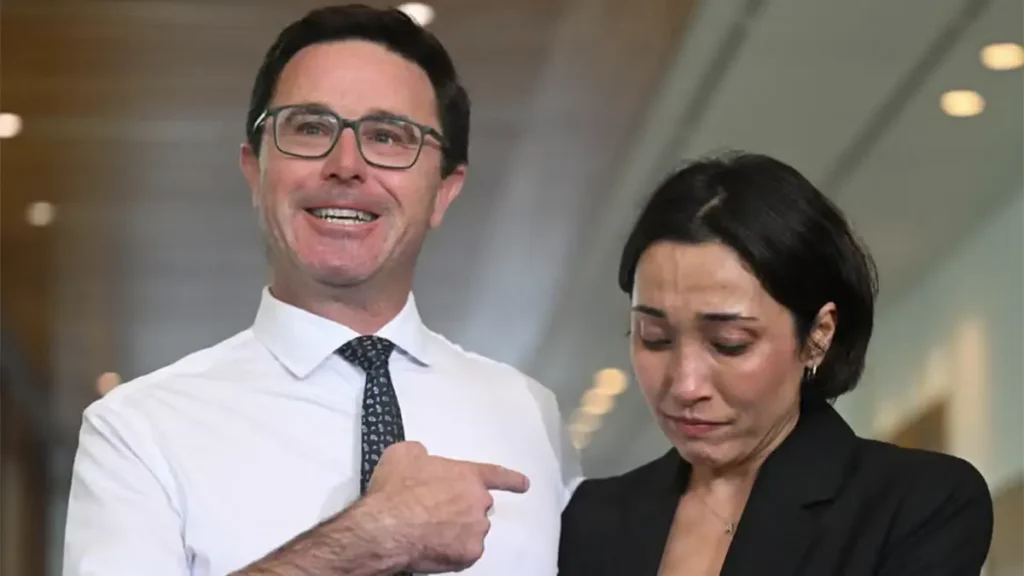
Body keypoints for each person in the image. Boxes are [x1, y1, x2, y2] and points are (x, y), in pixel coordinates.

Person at [63, 5, 581, 575]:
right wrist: (372, 535)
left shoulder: (530, 416)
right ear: (254, 172)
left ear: (444, 191)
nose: (346, 165)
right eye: (310, 128)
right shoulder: (138, 431)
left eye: (388, 137)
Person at [558, 152, 994, 575]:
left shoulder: (916, 504)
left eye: (729, 343)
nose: (686, 385)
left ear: (818, 336)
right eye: (655, 338)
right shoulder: (593, 517)